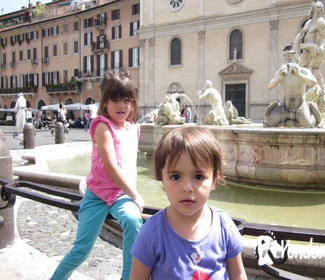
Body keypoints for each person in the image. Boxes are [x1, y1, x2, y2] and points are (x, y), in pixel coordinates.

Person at [51, 69, 145, 280]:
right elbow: (112, 167)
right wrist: (136, 194)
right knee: (81, 250)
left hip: (121, 195)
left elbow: (130, 165)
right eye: (115, 100)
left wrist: (131, 191)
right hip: (97, 195)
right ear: (105, 103)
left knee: (132, 220)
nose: (121, 105)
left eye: (126, 100)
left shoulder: (133, 129)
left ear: (133, 102)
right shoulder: (103, 126)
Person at [130, 126, 247, 280]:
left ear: (214, 179)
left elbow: (238, 274)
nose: (187, 188)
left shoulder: (223, 225)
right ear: (161, 178)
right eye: (175, 177)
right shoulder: (152, 232)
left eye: (198, 177)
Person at [264, 46, 323, 128]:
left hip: (299, 106)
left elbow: (313, 82)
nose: (289, 57)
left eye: (292, 54)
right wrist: (279, 78)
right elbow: (270, 87)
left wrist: (299, 74)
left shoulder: (303, 71)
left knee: (309, 125)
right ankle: (289, 121)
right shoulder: (281, 72)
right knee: (270, 123)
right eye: (287, 55)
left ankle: (312, 112)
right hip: (285, 108)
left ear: (297, 57)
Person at [293, 0, 325, 94]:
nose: (316, 10)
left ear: (320, 10)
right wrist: (299, 38)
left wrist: (322, 46)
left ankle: (321, 92)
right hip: (305, 49)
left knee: (315, 70)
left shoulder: (320, 21)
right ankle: (301, 91)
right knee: (299, 69)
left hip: (314, 49)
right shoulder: (308, 22)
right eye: (315, 8)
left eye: (318, 8)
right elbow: (302, 32)